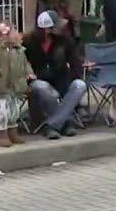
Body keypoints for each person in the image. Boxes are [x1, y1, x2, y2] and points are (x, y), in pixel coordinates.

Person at [25, 10, 86, 139]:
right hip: (40, 81)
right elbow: (22, 62)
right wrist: (28, 73)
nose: (62, 28)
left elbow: (75, 62)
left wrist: (73, 76)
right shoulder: (29, 42)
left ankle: (53, 125)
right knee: (42, 87)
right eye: (57, 26)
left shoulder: (65, 40)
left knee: (80, 85)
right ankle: (66, 122)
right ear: (48, 29)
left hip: (62, 80)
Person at [0, 22, 32, 147]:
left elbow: (25, 64)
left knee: (14, 112)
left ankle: (12, 132)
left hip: (16, 87)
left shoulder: (19, 51)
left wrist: (29, 73)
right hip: (1, 87)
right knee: (2, 112)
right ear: (2, 37)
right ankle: (1, 134)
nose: (17, 34)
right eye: (13, 32)